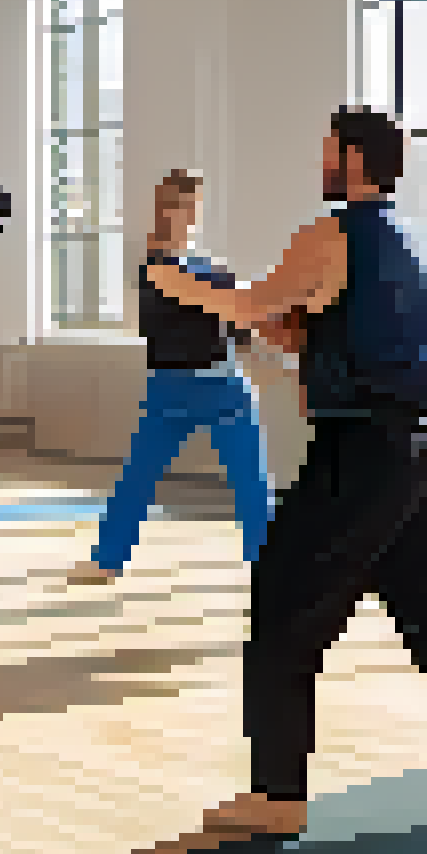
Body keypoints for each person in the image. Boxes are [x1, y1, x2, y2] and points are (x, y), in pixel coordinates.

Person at [147, 108, 427, 837]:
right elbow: (314, 324)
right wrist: (280, 327)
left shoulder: (332, 229)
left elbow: (249, 304)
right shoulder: (412, 239)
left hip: (364, 452)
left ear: (356, 159)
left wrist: (175, 283)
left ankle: (276, 795)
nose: (321, 162)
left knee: (283, 601)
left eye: (329, 150)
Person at [73, 169, 273, 583]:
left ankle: (268, 565)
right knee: (137, 477)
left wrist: (277, 360)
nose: (182, 215)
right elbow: (215, 315)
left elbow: (241, 326)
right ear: (163, 210)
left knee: (251, 482)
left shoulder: (209, 270)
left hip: (221, 386)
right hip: (169, 390)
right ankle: (107, 559)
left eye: (190, 206)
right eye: (176, 205)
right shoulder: (157, 269)